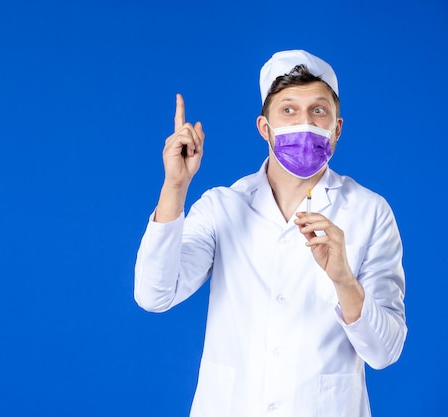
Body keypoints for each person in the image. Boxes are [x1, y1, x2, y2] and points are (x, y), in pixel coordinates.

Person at [133, 50, 406, 417]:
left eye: (318, 111)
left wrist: (345, 282)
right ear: (265, 127)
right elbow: (154, 294)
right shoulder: (223, 206)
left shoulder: (370, 212)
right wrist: (174, 188)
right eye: (289, 110)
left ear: (337, 127)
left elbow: (385, 353)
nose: (305, 123)